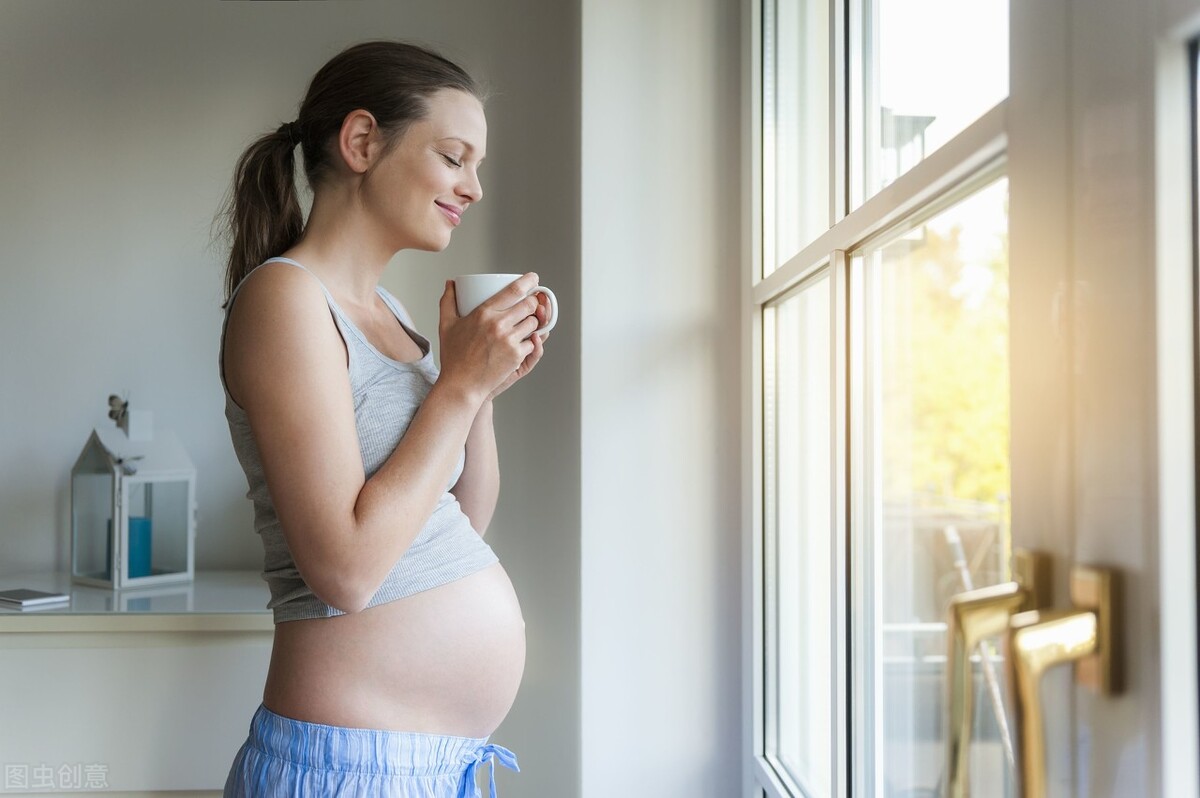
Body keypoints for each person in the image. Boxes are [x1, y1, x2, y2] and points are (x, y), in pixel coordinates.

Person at [216, 40, 546, 797]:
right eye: (456, 157)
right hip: (348, 767)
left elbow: (458, 523)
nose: (475, 188)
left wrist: (481, 389)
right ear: (362, 141)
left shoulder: (392, 315)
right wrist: (456, 388)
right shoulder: (285, 300)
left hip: (434, 767)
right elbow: (346, 570)